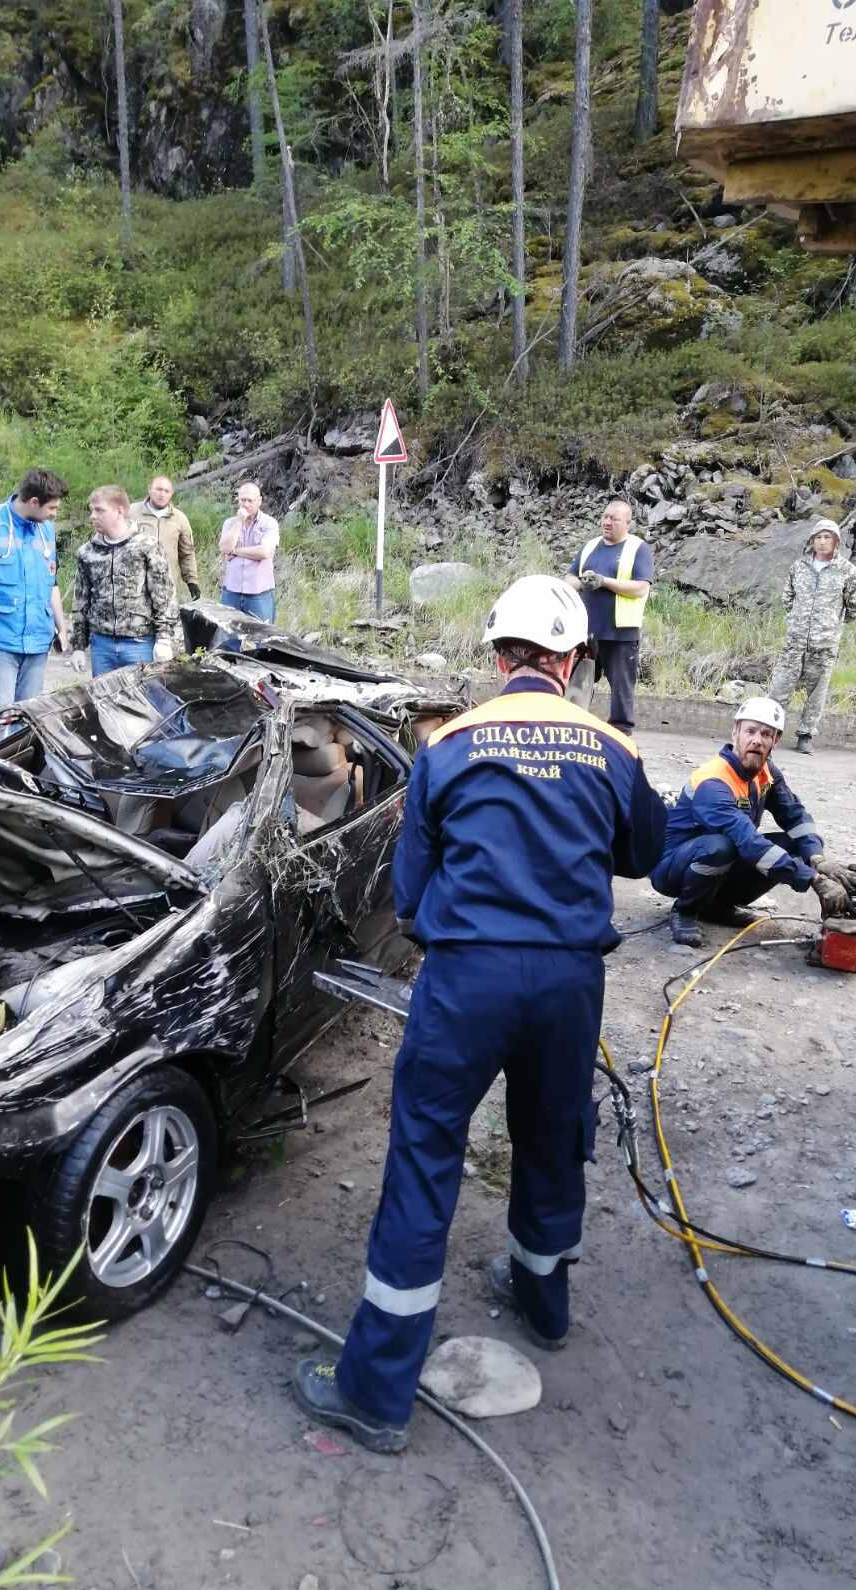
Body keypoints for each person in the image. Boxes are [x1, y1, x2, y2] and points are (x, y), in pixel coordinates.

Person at [292, 576, 667, 1454]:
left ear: (498, 657)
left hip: (467, 980)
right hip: (570, 983)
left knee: (426, 1154)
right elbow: (648, 854)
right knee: (550, 1133)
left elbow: (412, 893)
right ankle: (544, 1301)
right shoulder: (611, 745)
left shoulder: (448, 743)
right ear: (573, 662)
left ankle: (377, 1394)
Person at [651, 696, 856, 949]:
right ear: (735, 732)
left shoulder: (767, 773)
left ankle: (717, 906)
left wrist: (817, 858)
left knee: (792, 843)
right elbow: (748, 841)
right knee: (721, 846)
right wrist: (813, 879)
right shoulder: (713, 782)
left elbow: (795, 816)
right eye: (750, 731)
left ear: (775, 740)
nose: (757, 740)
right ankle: (685, 911)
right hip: (672, 868)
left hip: (724, 859)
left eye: (766, 734)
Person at [0, 468, 70, 711]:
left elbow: (52, 582)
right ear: (34, 502)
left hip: (38, 640)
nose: (54, 514)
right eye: (52, 508)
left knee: (29, 714)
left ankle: (24, 752)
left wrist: (61, 627)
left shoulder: (46, 529)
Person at [768, 517, 856, 755]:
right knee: (780, 687)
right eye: (818, 537)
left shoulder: (848, 572)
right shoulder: (799, 567)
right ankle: (769, 732)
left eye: (827, 537)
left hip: (824, 643)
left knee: (817, 691)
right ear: (812, 541)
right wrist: (795, 621)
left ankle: (805, 735)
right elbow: (787, 598)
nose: (822, 542)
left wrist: (832, 625)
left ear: (836, 542)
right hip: (795, 640)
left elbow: (855, 607)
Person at [565, 498, 654, 735]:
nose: (607, 522)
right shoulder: (590, 545)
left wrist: (604, 582)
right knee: (575, 684)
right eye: (605, 517)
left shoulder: (638, 548)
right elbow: (570, 577)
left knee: (622, 691)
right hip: (585, 631)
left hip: (621, 633)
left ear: (628, 523)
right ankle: (569, 727)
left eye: (613, 519)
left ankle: (621, 737)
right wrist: (583, 583)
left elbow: (641, 588)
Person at [69, 485, 177, 677]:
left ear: (120, 511)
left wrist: (164, 638)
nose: (93, 516)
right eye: (91, 510)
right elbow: (81, 600)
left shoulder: (146, 545)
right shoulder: (87, 552)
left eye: (99, 510)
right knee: (104, 702)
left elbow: (164, 594)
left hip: (139, 643)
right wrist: (78, 646)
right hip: (102, 644)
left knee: (143, 703)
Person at [129, 475, 201, 603]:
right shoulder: (132, 512)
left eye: (166, 491)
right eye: (158, 489)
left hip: (166, 585)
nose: (162, 494)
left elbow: (187, 553)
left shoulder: (179, 518)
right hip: (135, 585)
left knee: (164, 622)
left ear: (171, 494)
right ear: (149, 489)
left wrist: (192, 582)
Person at [218, 482, 279, 622]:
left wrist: (236, 551)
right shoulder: (229, 523)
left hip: (259, 593)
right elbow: (225, 548)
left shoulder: (269, 523)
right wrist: (239, 521)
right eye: (242, 500)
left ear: (259, 501)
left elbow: (264, 552)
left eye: (249, 501)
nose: (245, 504)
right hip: (231, 591)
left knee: (263, 639)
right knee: (227, 638)